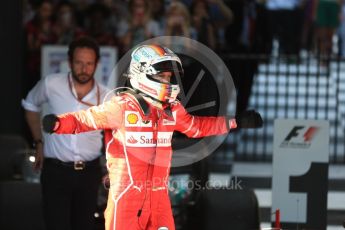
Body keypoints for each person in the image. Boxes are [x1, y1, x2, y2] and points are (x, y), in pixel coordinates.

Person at [41, 44, 263, 230]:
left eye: (169, 76)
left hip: (159, 198)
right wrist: (59, 123)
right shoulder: (122, 107)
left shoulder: (172, 109)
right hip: (127, 197)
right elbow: (85, 119)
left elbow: (195, 127)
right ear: (141, 73)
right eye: (161, 75)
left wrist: (234, 122)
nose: (167, 81)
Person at [22, 36, 109, 230]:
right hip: (56, 170)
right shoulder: (51, 84)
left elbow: (117, 133)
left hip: (90, 172)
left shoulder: (106, 95)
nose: (84, 69)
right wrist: (38, 142)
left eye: (89, 63)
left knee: (85, 225)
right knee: (56, 224)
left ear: (96, 65)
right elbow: (29, 105)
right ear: (69, 62)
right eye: (79, 63)